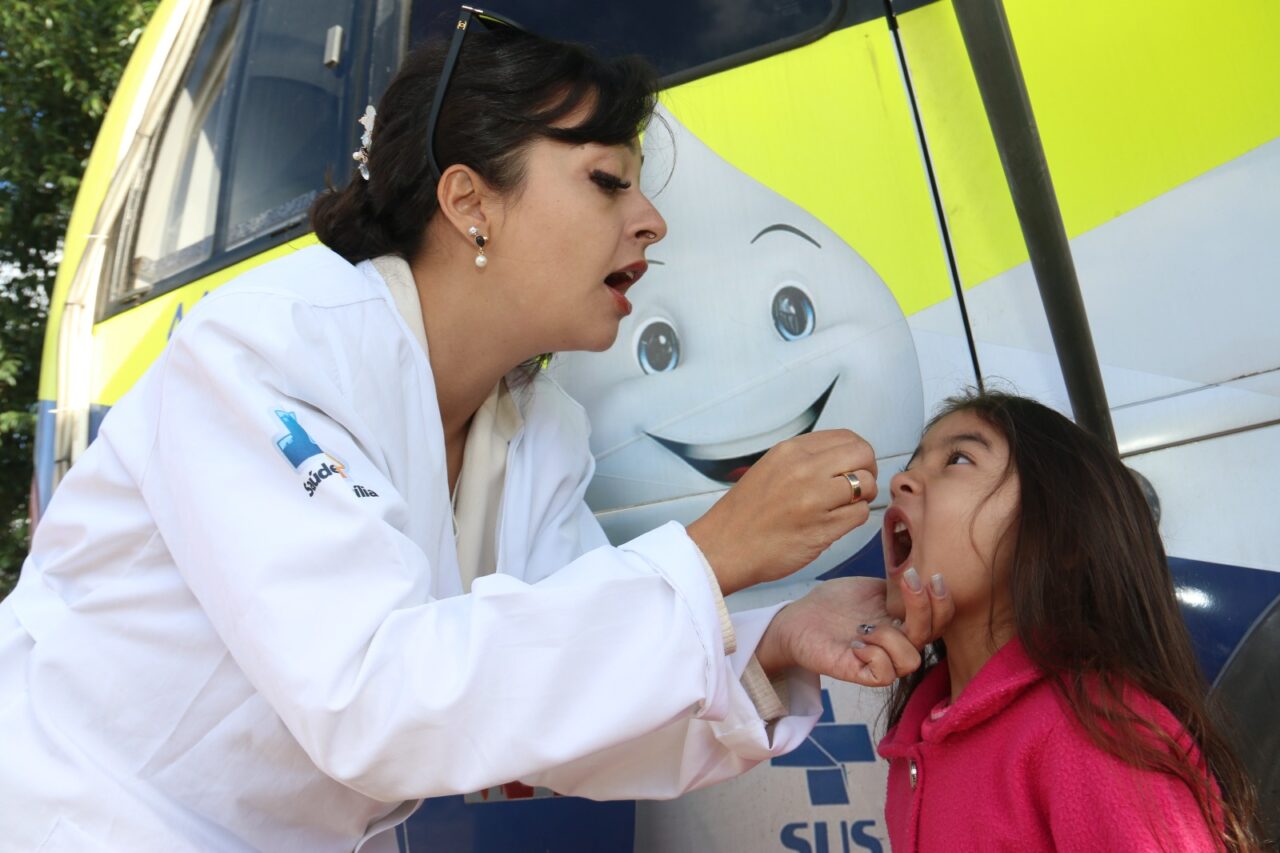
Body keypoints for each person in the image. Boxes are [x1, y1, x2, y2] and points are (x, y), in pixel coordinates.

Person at [0, 11, 953, 852]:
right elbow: (372, 699)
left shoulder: (537, 427)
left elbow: (566, 701)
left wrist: (776, 641)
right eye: (608, 182)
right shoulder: (267, 351)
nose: (653, 221)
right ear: (469, 202)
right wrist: (715, 552)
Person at [867, 390, 1261, 851]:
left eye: (958, 458)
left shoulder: (1099, 730)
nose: (902, 481)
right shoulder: (917, 739)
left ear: (1062, 535)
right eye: (911, 464)